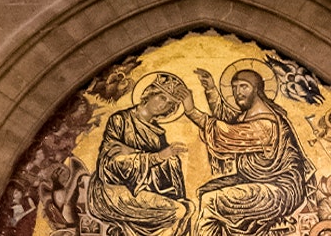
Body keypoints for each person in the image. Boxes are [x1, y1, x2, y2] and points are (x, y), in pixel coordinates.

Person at [169, 67, 312, 236]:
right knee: (203, 192)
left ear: (257, 89)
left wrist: (191, 111)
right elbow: (227, 119)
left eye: (243, 87)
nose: (238, 92)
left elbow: (226, 132)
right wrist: (211, 89)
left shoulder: (266, 124)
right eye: (234, 88)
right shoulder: (249, 116)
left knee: (210, 201)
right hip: (257, 180)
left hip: (280, 190)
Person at [89, 74, 192, 236]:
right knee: (178, 211)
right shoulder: (120, 120)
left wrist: (172, 159)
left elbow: (163, 168)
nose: (163, 105)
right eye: (161, 97)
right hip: (114, 189)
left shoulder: (158, 133)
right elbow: (111, 162)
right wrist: (157, 157)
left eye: (170, 103)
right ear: (149, 93)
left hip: (145, 188)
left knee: (188, 207)